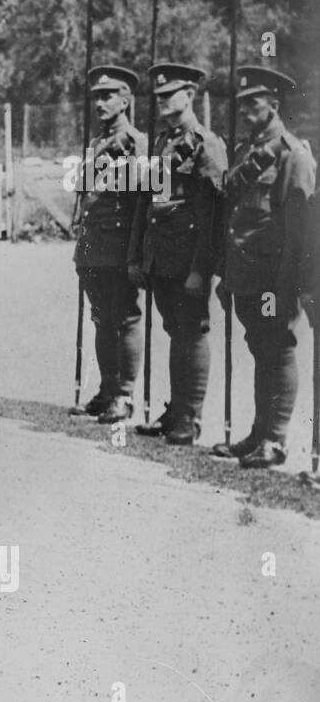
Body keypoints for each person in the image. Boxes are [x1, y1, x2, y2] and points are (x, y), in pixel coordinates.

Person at [211, 66, 316, 468]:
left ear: (273, 106)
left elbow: (300, 232)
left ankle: (275, 440)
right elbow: (234, 218)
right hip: (245, 276)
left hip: (274, 279)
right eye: (240, 104)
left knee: (278, 351)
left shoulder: (292, 155)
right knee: (259, 349)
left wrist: (287, 285)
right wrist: (225, 274)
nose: (244, 111)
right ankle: (259, 432)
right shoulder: (245, 153)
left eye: (252, 104)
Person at [128, 64, 226, 445]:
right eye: (158, 96)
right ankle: (176, 410)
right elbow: (146, 200)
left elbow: (213, 213)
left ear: (190, 95)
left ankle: (191, 417)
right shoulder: (160, 143)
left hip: (188, 260)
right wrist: (137, 256)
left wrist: (201, 269)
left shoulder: (206, 144)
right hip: (162, 256)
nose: (163, 101)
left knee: (193, 331)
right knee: (175, 331)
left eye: (170, 94)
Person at [71, 65, 147, 424]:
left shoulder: (137, 144)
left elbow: (143, 204)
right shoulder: (95, 143)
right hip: (92, 246)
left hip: (119, 246)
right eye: (96, 97)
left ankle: (125, 395)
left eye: (107, 96)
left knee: (125, 318)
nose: (99, 103)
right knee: (102, 319)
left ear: (126, 100)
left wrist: (136, 253)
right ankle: (107, 388)